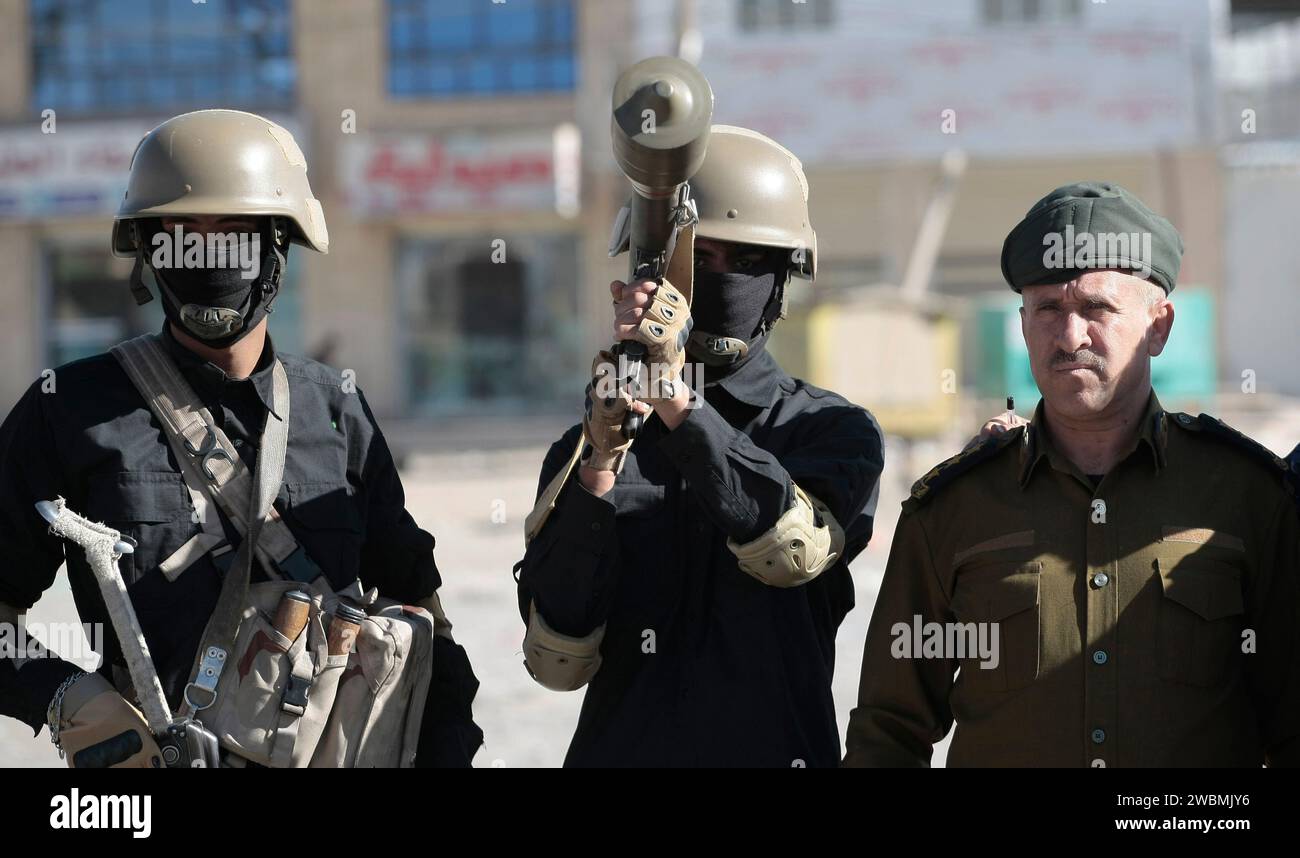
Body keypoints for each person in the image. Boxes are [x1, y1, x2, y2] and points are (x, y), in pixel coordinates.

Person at [0, 109, 482, 767]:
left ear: (277, 246)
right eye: (183, 233)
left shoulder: (333, 408)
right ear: (150, 250)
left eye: (234, 231)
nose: (209, 249)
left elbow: (421, 617)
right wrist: (63, 697)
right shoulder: (71, 410)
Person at [844, 181, 1300, 767]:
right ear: (1024, 323)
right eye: (1049, 310)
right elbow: (889, 729)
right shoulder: (954, 508)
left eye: (1097, 308)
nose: (1070, 336)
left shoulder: (1245, 497)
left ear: (1159, 326)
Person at [514, 126, 885, 767]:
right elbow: (559, 655)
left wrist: (676, 398)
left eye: (744, 263)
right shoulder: (592, 445)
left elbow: (788, 551)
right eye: (700, 261)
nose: (721, 281)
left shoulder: (831, 430)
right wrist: (600, 465)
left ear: (781, 281)